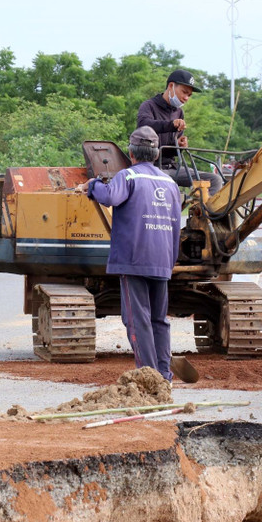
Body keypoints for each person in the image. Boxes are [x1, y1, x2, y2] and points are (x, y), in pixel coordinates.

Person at [84, 126, 194, 382]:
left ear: (131, 153)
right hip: (162, 260)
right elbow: (177, 224)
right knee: (159, 319)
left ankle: (148, 376)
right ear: (155, 154)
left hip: (134, 260)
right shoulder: (170, 184)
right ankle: (164, 375)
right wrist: (171, 259)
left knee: (137, 319)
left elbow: (110, 196)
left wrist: (92, 186)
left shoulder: (128, 177)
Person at [136, 69, 223, 195]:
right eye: (184, 92)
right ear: (171, 86)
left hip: (172, 167)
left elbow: (171, 150)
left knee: (215, 179)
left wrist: (179, 146)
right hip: (152, 166)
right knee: (166, 182)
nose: (186, 98)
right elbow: (144, 125)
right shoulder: (148, 106)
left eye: (189, 95)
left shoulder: (179, 112)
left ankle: (204, 213)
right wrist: (170, 125)